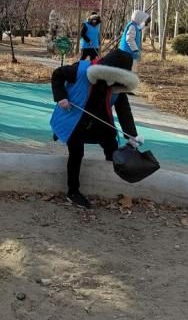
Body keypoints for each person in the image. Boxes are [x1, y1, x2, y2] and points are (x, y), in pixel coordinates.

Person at [50, 49, 142, 208]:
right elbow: (57, 75)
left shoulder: (117, 85)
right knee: (76, 152)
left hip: (100, 120)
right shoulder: (80, 70)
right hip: (74, 118)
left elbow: (123, 110)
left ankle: (110, 180)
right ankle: (73, 192)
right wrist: (61, 97)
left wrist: (131, 135)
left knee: (111, 144)